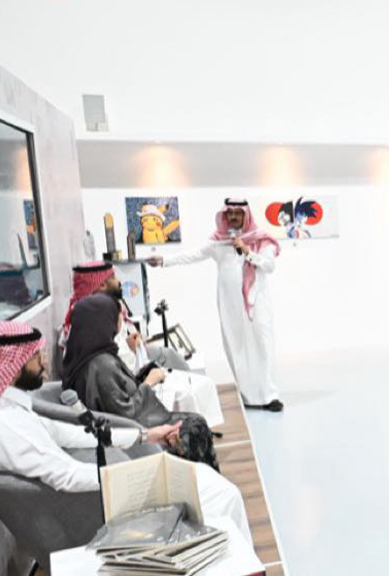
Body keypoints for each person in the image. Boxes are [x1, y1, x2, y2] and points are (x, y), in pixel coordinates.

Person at [0, 320, 252, 544]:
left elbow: (72, 434)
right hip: (101, 509)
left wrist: (146, 436)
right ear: (13, 363)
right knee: (223, 494)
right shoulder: (9, 425)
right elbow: (66, 476)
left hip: (107, 490)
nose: (45, 362)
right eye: (36, 356)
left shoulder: (13, 408)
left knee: (211, 483)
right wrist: (138, 475)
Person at [147, 199, 283, 412]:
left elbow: (269, 266)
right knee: (236, 348)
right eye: (231, 213)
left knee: (263, 347)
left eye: (238, 213)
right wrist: (163, 260)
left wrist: (247, 251)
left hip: (257, 305)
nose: (234, 217)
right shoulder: (219, 242)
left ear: (246, 215)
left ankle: (269, 395)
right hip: (230, 306)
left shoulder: (261, 240)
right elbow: (192, 255)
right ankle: (248, 396)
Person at [62, 294, 220, 469]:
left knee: (195, 422)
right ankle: (202, 478)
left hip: (121, 427)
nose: (120, 318)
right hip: (134, 430)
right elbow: (126, 413)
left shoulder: (84, 356)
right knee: (196, 426)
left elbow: (115, 394)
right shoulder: (102, 365)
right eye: (116, 314)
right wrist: (148, 383)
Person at [61, 261, 189, 372]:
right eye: (113, 277)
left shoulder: (102, 308)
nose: (119, 281)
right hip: (124, 374)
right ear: (102, 285)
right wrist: (132, 349)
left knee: (171, 356)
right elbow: (109, 364)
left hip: (130, 361)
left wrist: (134, 343)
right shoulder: (91, 317)